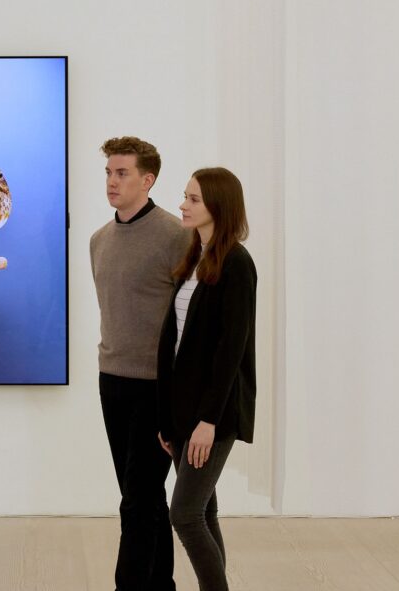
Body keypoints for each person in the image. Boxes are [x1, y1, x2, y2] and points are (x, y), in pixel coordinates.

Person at [91, 136, 190, 591]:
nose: (112, 181)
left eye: (122, 173)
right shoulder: (99, 240)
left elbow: (194, 318)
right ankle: (161, 584)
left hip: (157, 388)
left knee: (136, 502)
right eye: (109, 172)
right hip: (111, 381)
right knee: (144, 499)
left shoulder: (178, 237)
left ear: (148, 180)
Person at [156, 168, 257, 591]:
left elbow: (230, 351)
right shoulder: (194, 258)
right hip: (183, 412)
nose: (183, 204)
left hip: (211, 416)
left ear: (218, 205)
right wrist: (169, 419)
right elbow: (175, 343)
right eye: (185, 196)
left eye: (193, 198)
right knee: (203, 512)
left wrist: (207, 421)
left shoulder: (237, 263)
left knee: (184, 514)